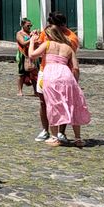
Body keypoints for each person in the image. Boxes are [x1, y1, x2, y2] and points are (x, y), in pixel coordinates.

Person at [29, 11, 90, 147]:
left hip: (51, 73)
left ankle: (57, 134)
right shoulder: (61, 41)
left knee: (56, 104)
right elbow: (76, 66)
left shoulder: (71, 38)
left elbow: (34, 53)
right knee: (49, 102)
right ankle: (53, 132)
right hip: (60, 73)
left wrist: (33, 41)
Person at [16, 18, 36, 96]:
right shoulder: (19, 34)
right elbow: (23, 43)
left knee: (33, 73)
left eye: (30, 25)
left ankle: (35, 91)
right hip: (23, 55)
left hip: (31, 54)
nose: (29, 26)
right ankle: (20, 91)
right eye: (28, 25)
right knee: (21, 74)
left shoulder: (30, 33)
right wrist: (32, 39)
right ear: (23, 25)